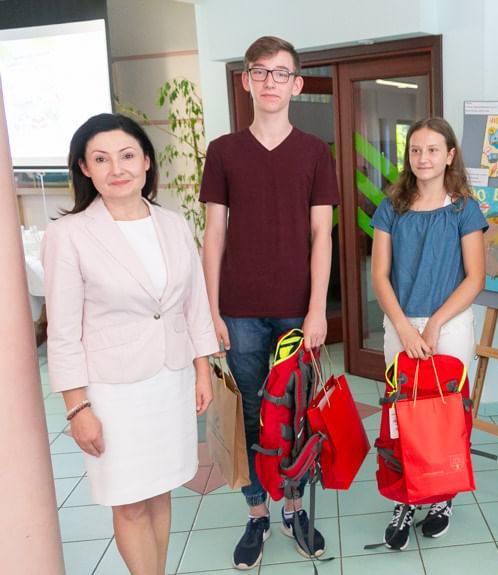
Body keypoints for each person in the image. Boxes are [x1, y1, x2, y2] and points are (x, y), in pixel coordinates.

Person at [42, 113, 218, 575]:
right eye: (100, 159)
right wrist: (77, 409)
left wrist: (202, 370)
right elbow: (62, 332)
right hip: (112, 392)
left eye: (126, 156)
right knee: (130, 502)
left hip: (170, 380)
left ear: (146, 162)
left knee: (160, 491)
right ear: (84, 168)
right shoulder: (69, 234)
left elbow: (193, 303)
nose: (115, 168)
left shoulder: (172, 223)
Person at [199, 36, 339, 569]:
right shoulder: (224, 150)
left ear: (297, 84)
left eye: (282, 74)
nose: (271, 82)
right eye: (261, 72)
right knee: (252, 417)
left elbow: (322, 235)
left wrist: (316, 310)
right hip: (237, 308)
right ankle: (258, 514)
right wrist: (210, 310)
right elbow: (213, 235)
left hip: (294, 310)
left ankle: (295, 508)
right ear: (246, 81)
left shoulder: (313, 151)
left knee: (296, 417)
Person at [370, 117, 487, 549]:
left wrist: (435, 323)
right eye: (416, 150)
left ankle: (442, 496)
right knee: (402, 417)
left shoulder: (464, 209)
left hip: (451, 324)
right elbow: (380, 276)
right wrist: (403, 326)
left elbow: (475, 278)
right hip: (399, 323)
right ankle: (405, 498)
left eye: (433, 149)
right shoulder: (391, 207)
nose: (423, 158)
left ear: (450, 155)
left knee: (446, 418)